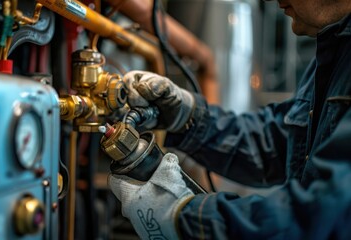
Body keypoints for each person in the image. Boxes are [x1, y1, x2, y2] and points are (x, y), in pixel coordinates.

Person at [107, 0, 351, 239]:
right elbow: (277, 142)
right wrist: (188, 117)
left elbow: (321, 215)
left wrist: (183, 215)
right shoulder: (336, 49)